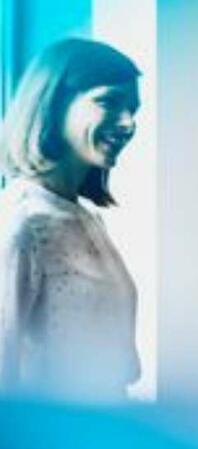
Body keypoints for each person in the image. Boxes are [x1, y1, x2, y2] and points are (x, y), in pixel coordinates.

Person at [0, 38, 142, 402]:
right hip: (50, 448)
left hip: (102, 438)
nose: (128, 123)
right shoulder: (22, 223)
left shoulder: (86, 219)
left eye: (133, 109)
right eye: (108, 101)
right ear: (53, 104)